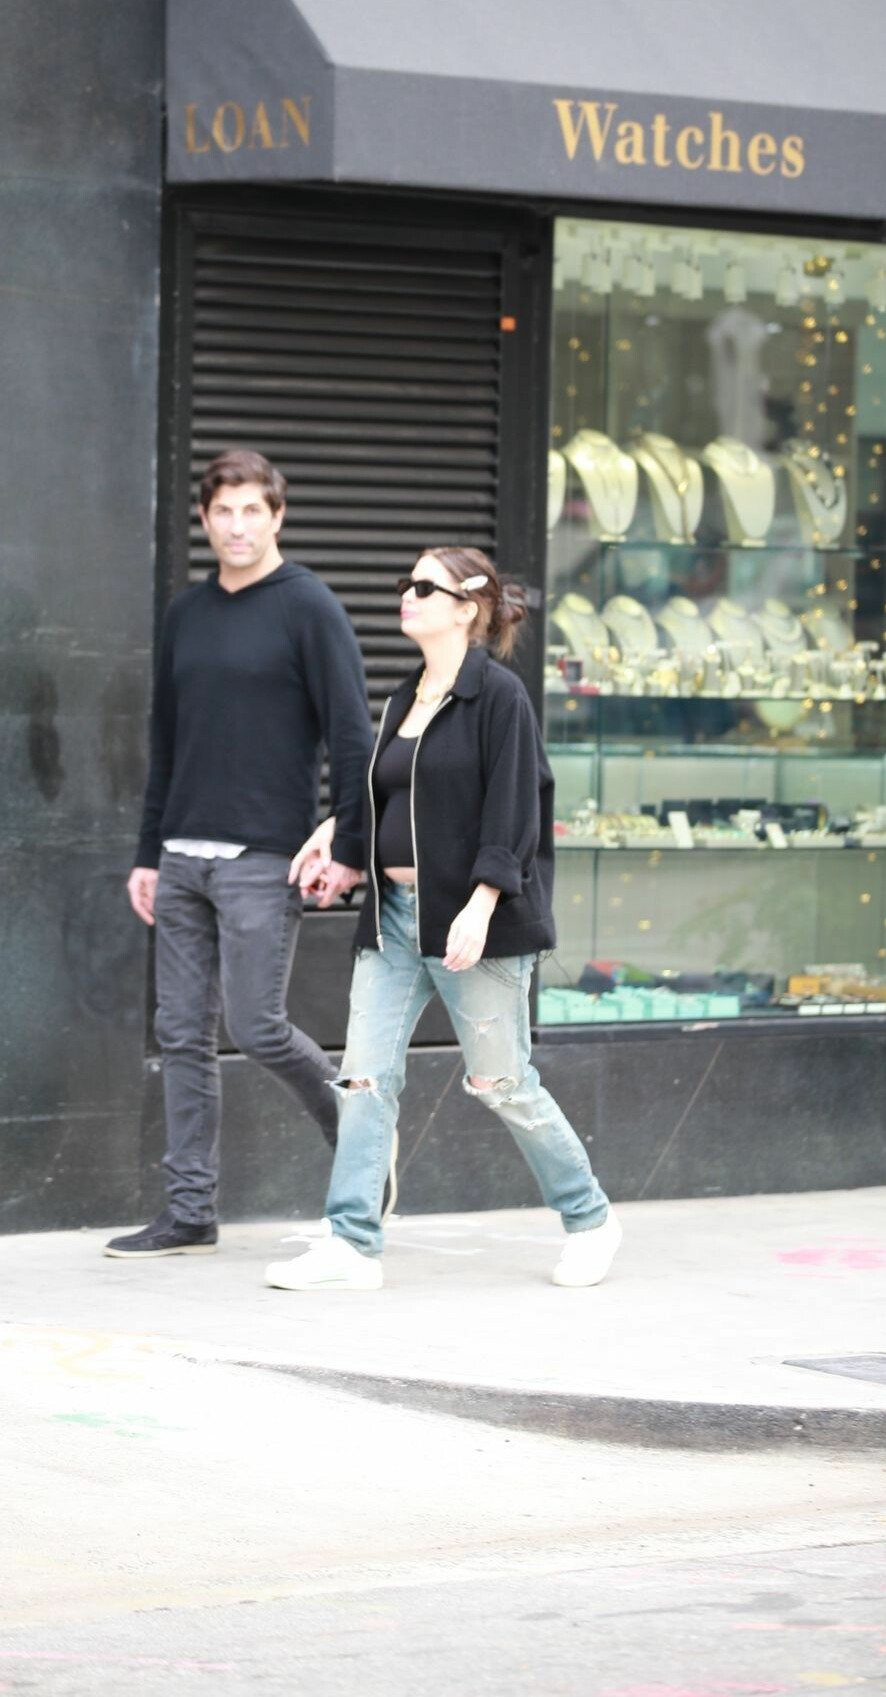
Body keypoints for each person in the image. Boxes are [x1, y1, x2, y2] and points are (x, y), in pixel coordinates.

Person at [265, 546, 621, 1292]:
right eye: (407, 583)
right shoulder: (406, 695)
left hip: (473, 924)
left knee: (502, 1082)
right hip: (394, 921)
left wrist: (483, 904)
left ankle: (590, 1219)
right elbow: (391, 796)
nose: (408, 594)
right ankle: (352, 1243)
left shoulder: (498, 697)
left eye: (426, 587)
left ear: (467, 608)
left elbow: (515, 811)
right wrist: (341, 844)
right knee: (363, 1080)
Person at [107, 449, 372, 1258]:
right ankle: (190, 1212)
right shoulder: (187, 614)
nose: (237, 525)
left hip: (265, 857)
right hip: (181, 857)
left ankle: (363, 1144)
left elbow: (351, 733)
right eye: (223, 510)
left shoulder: (307, 606)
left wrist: (350, 845)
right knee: (182, 1035)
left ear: (277, 516)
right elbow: (168, 739)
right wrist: (149, 852)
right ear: (204, 519)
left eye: (253, 509)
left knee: (256, 1026)